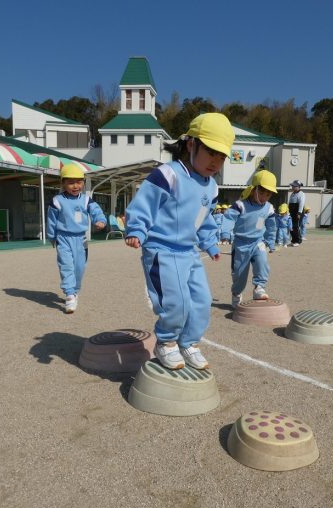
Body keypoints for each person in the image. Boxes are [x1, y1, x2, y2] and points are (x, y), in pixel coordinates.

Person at [124, 112, 235, 370]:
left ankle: (189, 342)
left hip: (189, 252)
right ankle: (166, 342)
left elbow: (204, 220)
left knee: (201, 300)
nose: (216, 161)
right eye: (211, 152)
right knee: (176, 302)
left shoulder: (211, 187)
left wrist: (209, 243)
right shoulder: (169, 174)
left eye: (222, 156)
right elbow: (144, 204)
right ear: (191, 144)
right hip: (162, 250)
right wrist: (136, 230)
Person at [46, 164, 107, 313]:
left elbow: (96, 211)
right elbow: (51, 220)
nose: (75, 186)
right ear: (63, 183)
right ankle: (69, 295)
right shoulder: (57, 201)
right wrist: (51, 237)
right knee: (66, 266)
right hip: (63, 238)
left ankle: (75, 291)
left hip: (81, 239)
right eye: (71, 182)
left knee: (79, 268)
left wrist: (100, 221)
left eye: (79, 182)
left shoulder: (86, 200)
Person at [223, 170, 278, 308]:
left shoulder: (269, 208)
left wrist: (270, 242)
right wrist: (225, 233)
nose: (265, 197)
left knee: (262, 262)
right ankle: (236, 294)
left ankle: (259, 287)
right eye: (262, 192)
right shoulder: (240, 205)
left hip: (258, 242)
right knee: (239, 273)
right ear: (254, 189)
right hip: (241, 244)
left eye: (268, 194)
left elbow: (271, 227)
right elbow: (229, 218)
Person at [287, 179, 305, 246]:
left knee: (296, 226)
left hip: (297, 212)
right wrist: (287, 211)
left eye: (294, 186)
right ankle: (293, 240)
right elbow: (289, 203)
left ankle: (298, 241)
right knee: (291, 226)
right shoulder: (292, 194)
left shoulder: (301, 194)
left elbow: (301, 204)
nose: (292, 187)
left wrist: (299, 213)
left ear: (298, 186)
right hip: (291, 211)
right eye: (292, 186)